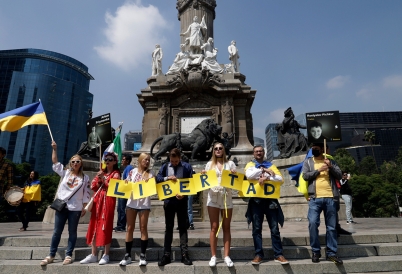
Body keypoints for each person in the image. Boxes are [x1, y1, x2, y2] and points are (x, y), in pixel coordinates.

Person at [40, 141, 90, 266]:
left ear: (81, 163)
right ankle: (51, 255)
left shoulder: (85, 178)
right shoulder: (66, 172)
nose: (75, 163)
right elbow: (55, 162)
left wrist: (85, 207)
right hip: (62, 206)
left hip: (76, 208)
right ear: (70, 163)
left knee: (72, 232)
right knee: (57, 231)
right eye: (73, 161)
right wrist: (55, 149)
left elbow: (86, 193)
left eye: (78, 161)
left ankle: (68, 255)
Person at [244, 145, 289, 265]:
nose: (258, 153)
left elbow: (280, 179)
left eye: (260, 151)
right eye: (256, 151)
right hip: (256, 201)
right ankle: (258, 254)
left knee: (274, 229)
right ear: (253, 154)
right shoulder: (250, 165)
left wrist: (267, 178)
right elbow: (249, 176)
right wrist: (264, 171)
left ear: (264, 152)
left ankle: (278, 254)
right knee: (256, 229)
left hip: (271, 201)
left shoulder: (272, 165)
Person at [302, 143, 343, 264]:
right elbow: (305, 176)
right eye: (312, 148)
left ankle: (331, 253)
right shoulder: (308, 162)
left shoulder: (329, 160)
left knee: (331, 227)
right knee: (313, 223)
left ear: (322, 149)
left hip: (331, 197)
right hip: (315, 199)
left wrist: (330, 167)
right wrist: (318, 170)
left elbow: (340, 175)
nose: (313, 150)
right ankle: (316, 251)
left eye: (316, 148)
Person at [80, 152, 121, 265]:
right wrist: (99, 178)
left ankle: (106, 254)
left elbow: (114, 187)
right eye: (106, 159)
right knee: (94, 225)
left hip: (108, 201)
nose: (107, 161)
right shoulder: (101, 173)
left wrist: (104, 179)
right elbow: (93, 186)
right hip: (98, 201)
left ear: (114, 161)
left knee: (105, 225)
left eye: (110, 159)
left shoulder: (116, 173)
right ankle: (93, 254)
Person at [156, 148, 193, 266]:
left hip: (182, 202)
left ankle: (184, 254)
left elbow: (192, 182)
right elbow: (157, 179)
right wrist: (167, 178)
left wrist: (185, 194)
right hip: (169, 202)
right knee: (169, 228)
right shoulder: (165, 166)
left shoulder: (187, 167)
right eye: (172, 161)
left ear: (180, 158)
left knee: (183, 228)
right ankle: (166, 254)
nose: (174, 163)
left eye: (176, 161)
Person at [202, 142, 236, 267]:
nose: (218, 150)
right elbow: (204, 181)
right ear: (213, 151)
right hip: (213, 198)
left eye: (220, 148)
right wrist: (203, 175)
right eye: (215, 148)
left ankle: (227, 256)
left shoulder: (230, 164)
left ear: (224, 150)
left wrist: (234, 174)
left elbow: (235, 181)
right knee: (214, 227)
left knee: (226, 227)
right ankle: (213, 256)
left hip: (227, 197)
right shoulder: (209, 164)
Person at [119, 153, 153, 266]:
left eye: (148, 160)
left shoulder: (151, 174)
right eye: (145, 160)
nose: (147, 162)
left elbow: (152, 189)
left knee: (143, 228)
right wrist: (126, 183)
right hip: (132, 202)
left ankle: (143, 255)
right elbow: (126, 183)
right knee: (129, 228)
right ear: (140, 160)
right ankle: (127, 255)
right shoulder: (132, 172)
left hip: (144, 204)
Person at [114, 154, 133, 232]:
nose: (122, 161)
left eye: (123, 159)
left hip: (124, 190)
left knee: (122, 208)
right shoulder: (126, 168)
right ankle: (119, 224)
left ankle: (121, 225)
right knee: (119, 208)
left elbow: (129, 179)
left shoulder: (129, 168)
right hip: (122, 190)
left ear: (127, 161)